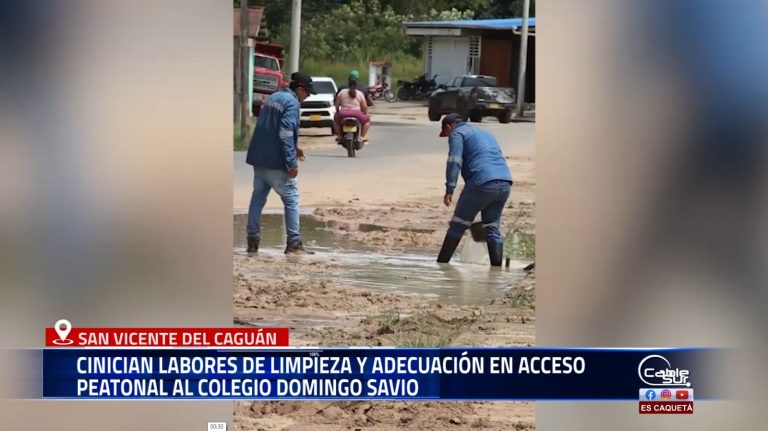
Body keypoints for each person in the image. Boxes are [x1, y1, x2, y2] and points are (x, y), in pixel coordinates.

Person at [245, 72, 315, 255]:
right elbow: (285, 132)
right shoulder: (292, 103)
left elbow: (271, 126)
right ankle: (294, 243)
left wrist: (295, 147)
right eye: (307, 93)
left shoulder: (274, 96)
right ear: (300, 89)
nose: (306, 98)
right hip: (276, 161)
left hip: (259, 159)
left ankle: (252, 241)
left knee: (257, 198)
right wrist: (291, 163)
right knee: (291, 198)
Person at [436, 113, 513, 266]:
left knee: (458, 225)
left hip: (481, 183)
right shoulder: (484, 133)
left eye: (447, 133)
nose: (448, 135)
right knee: (492, 227)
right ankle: (496, 272)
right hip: (505, 182)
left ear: (448, 127)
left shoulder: (457, 133)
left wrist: (450, 188)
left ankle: (441, 265)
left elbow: (454, 160)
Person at [334, 78, 371, 143]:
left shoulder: (342, 92)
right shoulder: (360, 93)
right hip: (357, 114)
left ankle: (339, 136)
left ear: (348, 85)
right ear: (356, 86)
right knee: (367, 121)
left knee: (335, 120)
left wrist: (337, 112)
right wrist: (365, 112)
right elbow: (364, 107)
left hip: (343, 114)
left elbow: (336, 105)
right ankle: (362, 137)